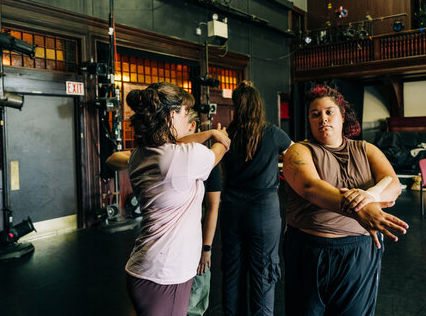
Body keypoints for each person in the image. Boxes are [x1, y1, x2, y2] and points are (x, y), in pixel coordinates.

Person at [282, 84, 409, 316]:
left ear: (343, 116)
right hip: (310, 251)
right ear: (309, 121)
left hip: (358, 253)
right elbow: (310, 187)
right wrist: (360, 210)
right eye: (315, 114)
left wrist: (369, 196)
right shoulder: (299, 151)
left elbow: (392, 182)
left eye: (329, 112)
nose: (323, 119)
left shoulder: (366, 149)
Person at [123, 82, 230, 316]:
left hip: (146, 268)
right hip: (166, 273)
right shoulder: (183, 158)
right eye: (183, 112)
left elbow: (176, 143)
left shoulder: (139, 154)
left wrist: (209, 133)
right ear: (172, 115)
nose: (187, 120)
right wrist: (219, 136)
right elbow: (220, 150)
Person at [220, 80, 292, 316]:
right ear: (258, 106)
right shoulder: (272, 133)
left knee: (232, 271)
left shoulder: (226, 136)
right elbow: (297, 155)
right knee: (263, 271)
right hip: (263, 210)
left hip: (231, 208)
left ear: (236, 108)